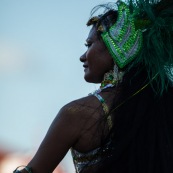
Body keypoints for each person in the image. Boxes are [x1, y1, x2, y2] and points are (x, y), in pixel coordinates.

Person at [13, 0, 173, 173]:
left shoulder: (77, 114)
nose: (82, 57)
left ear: (116, 48)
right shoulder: (164, 109)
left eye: (89, 44)